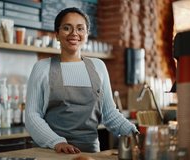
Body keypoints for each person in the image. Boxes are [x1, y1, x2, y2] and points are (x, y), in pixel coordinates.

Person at [25, 7, 138, 154]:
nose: (74, 34)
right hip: (53, 152)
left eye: (80, 28)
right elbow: (32, 116)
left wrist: (133, 132)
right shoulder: (42, 68)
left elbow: (109, 113)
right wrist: (57, 142)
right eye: (67, 28)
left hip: (90, 154)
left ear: (86, 34)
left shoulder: (98, 66)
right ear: (57, 34)